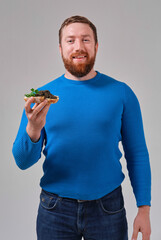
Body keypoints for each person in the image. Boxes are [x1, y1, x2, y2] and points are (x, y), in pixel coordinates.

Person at [12, 15, 151, 240]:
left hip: (108, 209)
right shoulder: (40, 98)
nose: (79, 47)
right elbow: (22, 161)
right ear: (60, 48)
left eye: (86, 40)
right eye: (70, 40)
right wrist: (33, 129)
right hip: (54, 211)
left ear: (96, 46)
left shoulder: (122, 93)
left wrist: (144, 208)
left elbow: (137, 154)